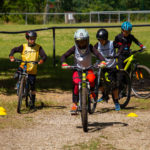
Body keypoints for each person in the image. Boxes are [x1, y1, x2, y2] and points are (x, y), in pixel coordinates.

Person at [61, 29, 106, 114]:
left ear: (87, 40)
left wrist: (103, 61)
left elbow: (98, 54)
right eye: (79, 42)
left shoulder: (90, 47)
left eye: (84, 42)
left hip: (88, 68)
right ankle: (74, 104)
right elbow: (64, 56)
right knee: (76, 83)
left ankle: (92, 92)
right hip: (77, 69)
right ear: (76, 41)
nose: (81, 44)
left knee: (92, 79)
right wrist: (64, 63)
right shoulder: (74, 48)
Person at [9, 31, 47, 109]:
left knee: (32, 87)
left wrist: (41, 60)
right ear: (27, 39)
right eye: (31, 39)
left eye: (34, 39)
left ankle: (32, 102)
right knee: (16, 75)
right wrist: (11, 56)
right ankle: (19, 85)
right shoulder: (23, 46)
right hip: (23, 66)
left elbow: (44, 56)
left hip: (32, 70)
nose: (32, 40)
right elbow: (13, 50)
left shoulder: (38, 47)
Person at [94, 28, 120, 111]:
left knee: (114, 84)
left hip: (111, 66)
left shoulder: (112, 43)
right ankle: (104, 94)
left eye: (102, 40)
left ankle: (116, 102)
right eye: (99, 40)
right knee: (96, 81)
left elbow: (121, 46)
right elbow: (92, 50)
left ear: (106, 38)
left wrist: (118, 53)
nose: (100, 41)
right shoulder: (98, 44)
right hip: (101, 66)